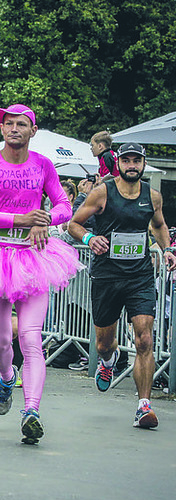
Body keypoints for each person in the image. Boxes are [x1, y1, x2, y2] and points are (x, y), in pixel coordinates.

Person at [0, 104, 82, 445]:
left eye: (20, 124)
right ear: (1, 130)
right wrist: (19, 220)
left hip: (35, 258)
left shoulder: (42, 164)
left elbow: (64, 207)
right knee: (0, 341)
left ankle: (31, 412)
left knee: (30, 337)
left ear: (32, 130)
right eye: (8, 123)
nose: (13, 128)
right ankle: (7, 378)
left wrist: (44, 219)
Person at [68, 142, 176, 429]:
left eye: (136, 161)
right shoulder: (103, 192)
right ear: (119, 163)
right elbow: (73, 224)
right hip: (107, 275)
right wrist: (90, 239)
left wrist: (167, 249)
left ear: (143, 164)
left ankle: (143, 406)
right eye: (126, 160)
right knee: (104, 343)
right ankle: (108, 359)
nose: (132, 165)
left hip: (139, 276)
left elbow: (159, 225)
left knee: (144, 339)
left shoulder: (152, 196)